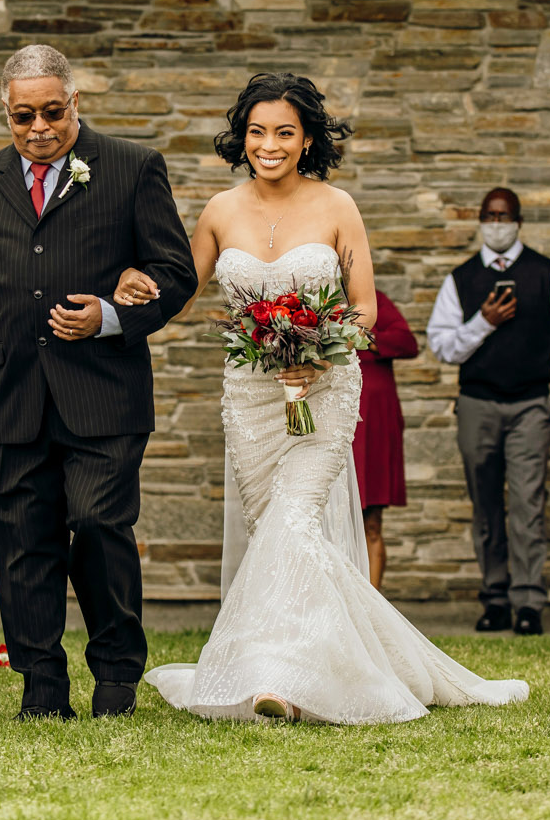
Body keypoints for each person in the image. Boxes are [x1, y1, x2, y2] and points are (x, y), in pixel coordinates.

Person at [136, 73, 526, 722]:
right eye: (257, 131)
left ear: (307, 138)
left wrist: (318, 349)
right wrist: (130, 288)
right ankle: (355, 660)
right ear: (243, 137)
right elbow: (176, 286)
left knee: (293, 520)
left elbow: (367, 311)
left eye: (284, 131)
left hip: (324, 388)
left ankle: (277, 681)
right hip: (252, 397)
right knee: (278, 535)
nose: (269, 144)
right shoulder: (219, 211)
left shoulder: (338, 206)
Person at [0, 43, 195, 721]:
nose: (38, 128)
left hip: (105, 395)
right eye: (23, 117)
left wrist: (113, 313)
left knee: (101, 523)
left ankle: (114, 677)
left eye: (51, 112)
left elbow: (176, 270)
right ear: (6, 114)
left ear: (76, 103)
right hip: (16, 398)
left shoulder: (133, 168)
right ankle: (42, 686)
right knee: (23, 544)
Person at [425, 188, 550, 637]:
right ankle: (495, 599)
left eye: (504, 216)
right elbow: (442, 346)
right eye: (489, 215)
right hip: (477, 403)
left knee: (527, 502)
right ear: (480, 220)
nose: (496, 223)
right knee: (485, 505)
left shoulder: (546, 273)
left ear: (518, 221)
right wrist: (483, 321)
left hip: (529, 405)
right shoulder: (461, 279)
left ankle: (528, 602)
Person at [352, 290, 418, 591]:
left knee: (372, 520)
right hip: (330, 417)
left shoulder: (374, 300)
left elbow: (406, 341)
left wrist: (364, 339)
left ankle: (372, 607)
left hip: (375, 422)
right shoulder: (307, 302)